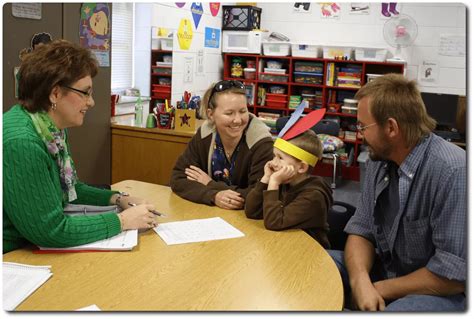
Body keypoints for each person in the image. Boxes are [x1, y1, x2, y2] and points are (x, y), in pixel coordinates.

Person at [3, 40, 158, 254]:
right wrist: (122, 221)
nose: (91, 102)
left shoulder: (50, 129)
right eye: (85, 93)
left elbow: (70, 189)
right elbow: (51, 231)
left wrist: (119, 199)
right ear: (55, 94)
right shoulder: (23, 142)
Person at [328, 73, 466, 311]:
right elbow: (362, 229)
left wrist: (380, 288)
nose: (359, 134)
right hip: (385, 268)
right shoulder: (377, 160)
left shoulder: (453, 171)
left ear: (391, 127)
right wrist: (360, 280)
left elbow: (451, 275)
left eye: (362, 126)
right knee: (314, 266)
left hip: (435, 289)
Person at [170, 80, 274, 209]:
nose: (237, 120)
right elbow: (178, 179)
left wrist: (210, 184)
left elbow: (258, 197)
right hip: (212, 216)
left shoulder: (261, 143)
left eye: (243, 111)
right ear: (211, 114)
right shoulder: (204, 134)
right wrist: (213, 196)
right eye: (229, 113)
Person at [245, 130, 332, 248]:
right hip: (284, 243)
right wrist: (265, 178)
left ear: (301, 167)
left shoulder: (314, 196)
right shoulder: (285, 182)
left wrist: (274, 183)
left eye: (280, 158)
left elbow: (274, 222)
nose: (273, 163)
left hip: (308, 253)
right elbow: (252, 211)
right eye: (274, 156)